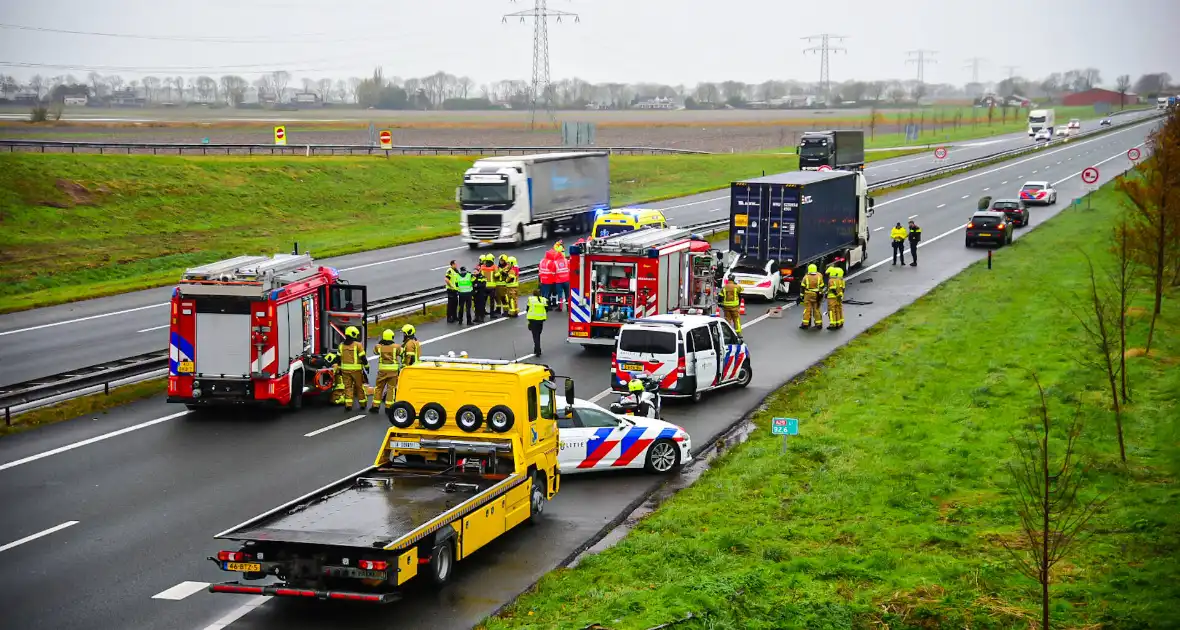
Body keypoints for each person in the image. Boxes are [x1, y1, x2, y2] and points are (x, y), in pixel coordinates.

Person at [369, 329, 402, 413]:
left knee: (379, 388)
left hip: (382, 372)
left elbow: (375, 351)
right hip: (393, 372)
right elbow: (402, 353)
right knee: (391, 389)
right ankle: (389, 407)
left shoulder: (379, 347)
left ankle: (375, 406)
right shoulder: (396, 347)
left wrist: (381, 342)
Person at [337, 326, 368, 411]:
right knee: (359, 387)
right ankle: (362, 404)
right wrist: (366, 366)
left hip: (345, 370)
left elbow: (338, 359)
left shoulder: (341, 346)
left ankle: (348, 404)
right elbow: (363, 358)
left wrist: (339, 368)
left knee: (347, 387)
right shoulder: (358, 345)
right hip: (356, 371)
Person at [799, 263, 825, 330]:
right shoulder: (819, 276)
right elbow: (822, 286)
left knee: (807, 309)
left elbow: (802, 287)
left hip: (808, 295)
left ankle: (805, 324)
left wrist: (801, 296)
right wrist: (821, 294)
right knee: (816, 309)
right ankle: (819, 324)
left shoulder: (806, 277)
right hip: (817, 295)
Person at [525, 289, 548, 355]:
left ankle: (538, 350)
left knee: (535, 336)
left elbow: (527, 309)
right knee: (538, 334)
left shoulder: (531, 299)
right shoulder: (544, 300)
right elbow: (546, 309)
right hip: (541, 320)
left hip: (532, 320)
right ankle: (537, 348)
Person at [553, 246, 570, 311]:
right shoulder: (566, 261)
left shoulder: (555, 263)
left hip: (559, 281)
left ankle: (560, 307)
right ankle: (568, 307)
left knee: (560, 294)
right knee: (567, 294)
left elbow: (553, 272)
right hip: (567, 280)